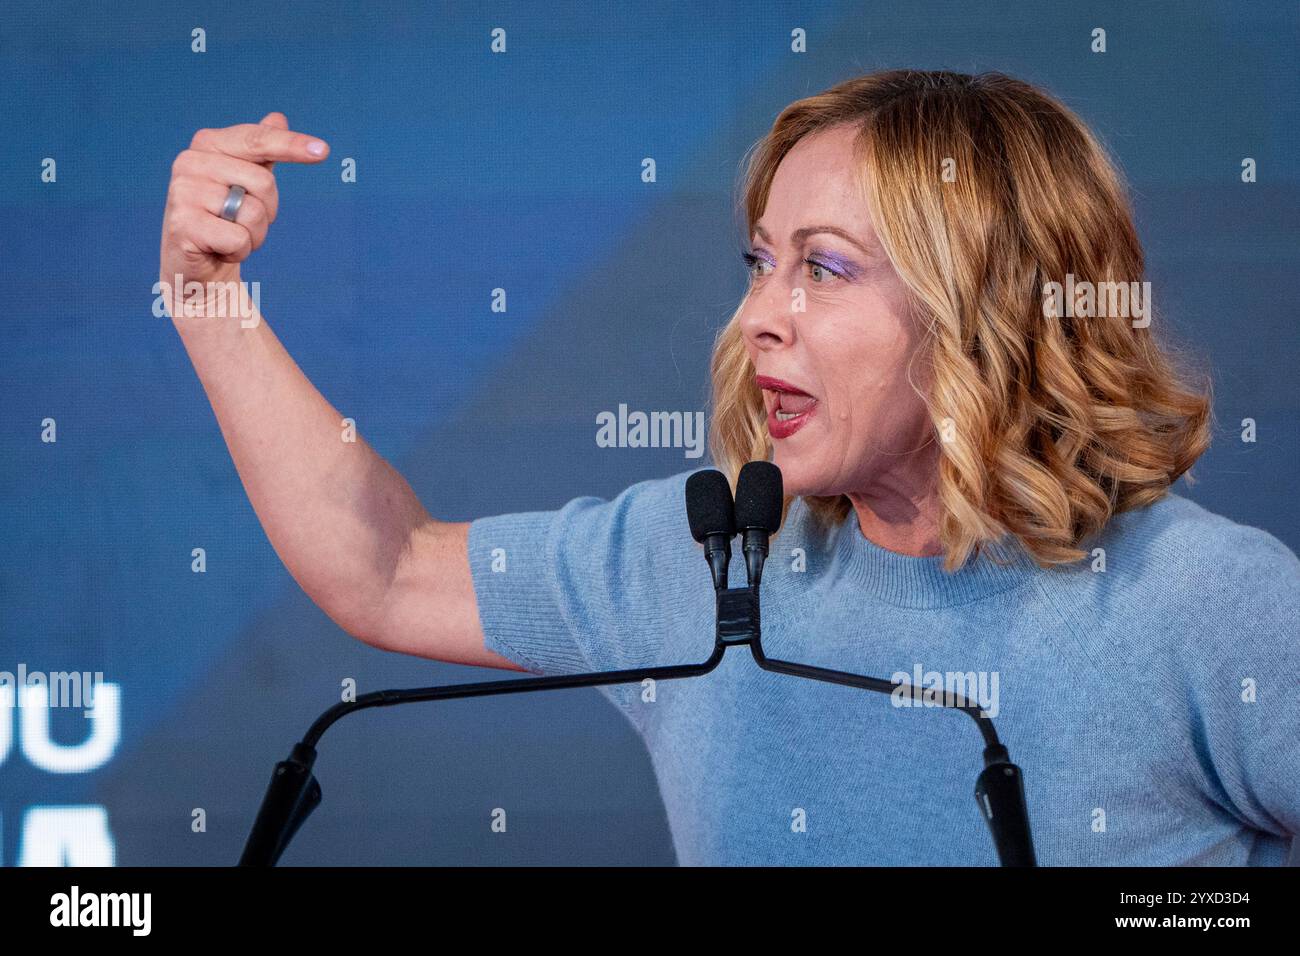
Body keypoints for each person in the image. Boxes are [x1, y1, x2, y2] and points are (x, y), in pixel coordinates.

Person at [160, 69, 1300, 865]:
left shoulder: (1205, 602)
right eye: (761, 261)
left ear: (988, 307)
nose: (759, 315)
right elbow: (390, 569)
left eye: (826, 267)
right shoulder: (709, 566)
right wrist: (210, 303)